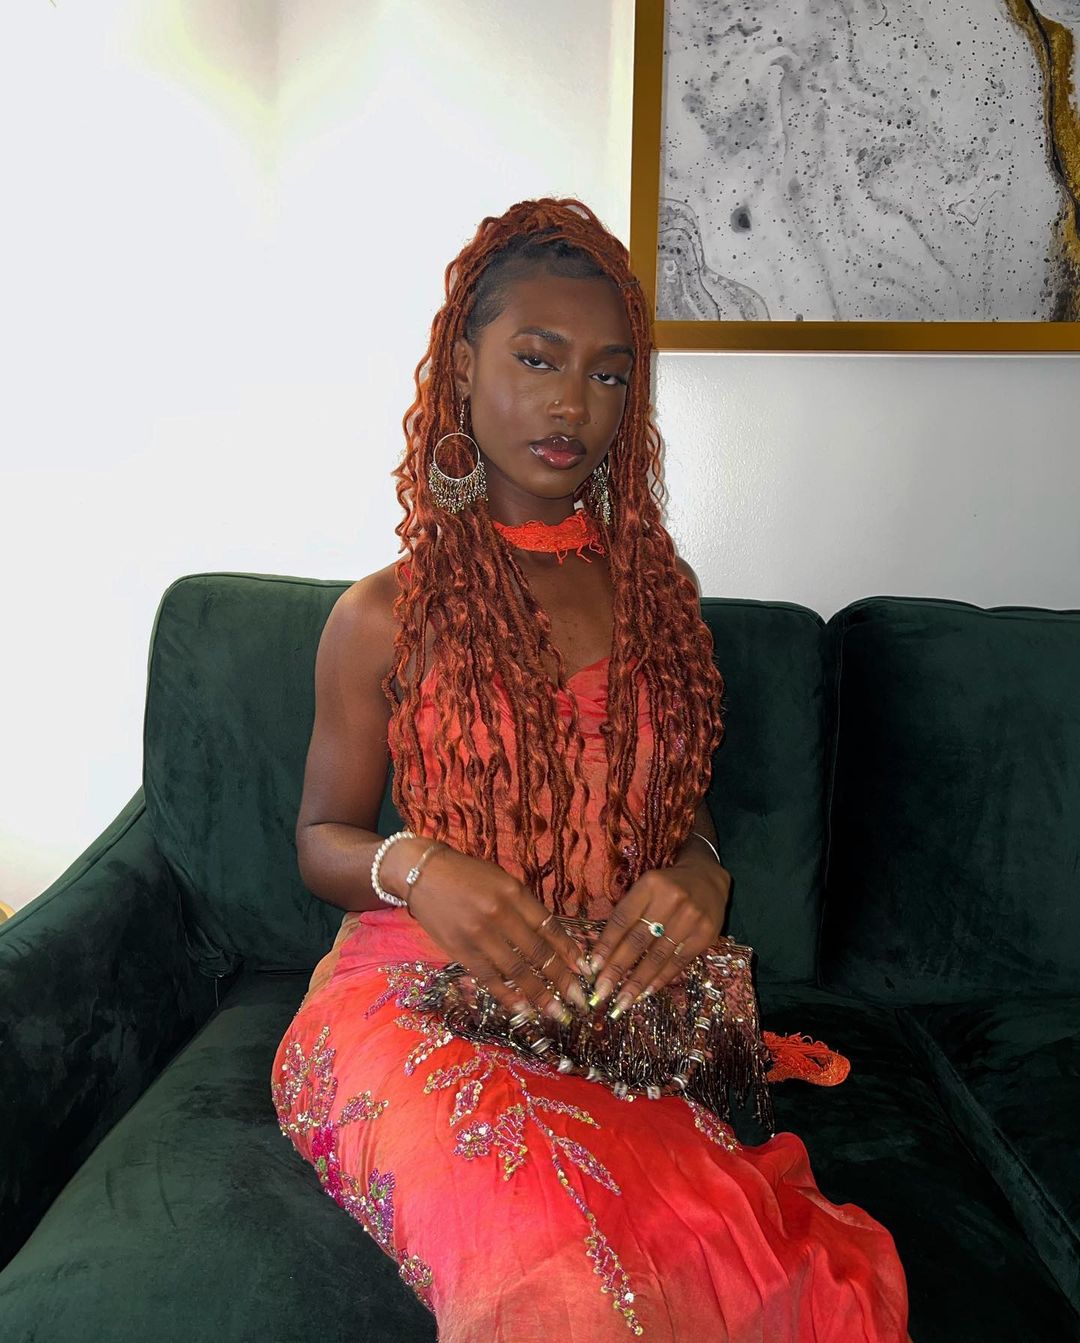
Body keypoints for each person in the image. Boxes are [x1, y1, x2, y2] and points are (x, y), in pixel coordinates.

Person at [270, 197, 912, 1342]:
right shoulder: (382, 616)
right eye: (537, 358)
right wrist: (420, 866)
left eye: (609, 374)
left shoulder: (658, 601)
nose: (573, 402)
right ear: (462, 368)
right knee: (553, 1272)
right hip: (412, 994)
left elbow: (676, 805)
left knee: (745, 1266)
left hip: (604, 1003)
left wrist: (702, 869)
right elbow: (321, 838)